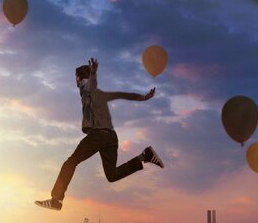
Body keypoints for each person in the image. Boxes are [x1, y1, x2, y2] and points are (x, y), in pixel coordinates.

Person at [35, 57, 164, 211]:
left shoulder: (85, 87)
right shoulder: (99, 94)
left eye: (75, 78)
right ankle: (144, 156)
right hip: (111, 137)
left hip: (99, 136)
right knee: (112, 175)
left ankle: (56, 199)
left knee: (70, 162)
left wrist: (93, 74)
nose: (75, 81)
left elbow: (90, 84)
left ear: (79, 78)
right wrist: (143, 98)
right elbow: (120, 94)